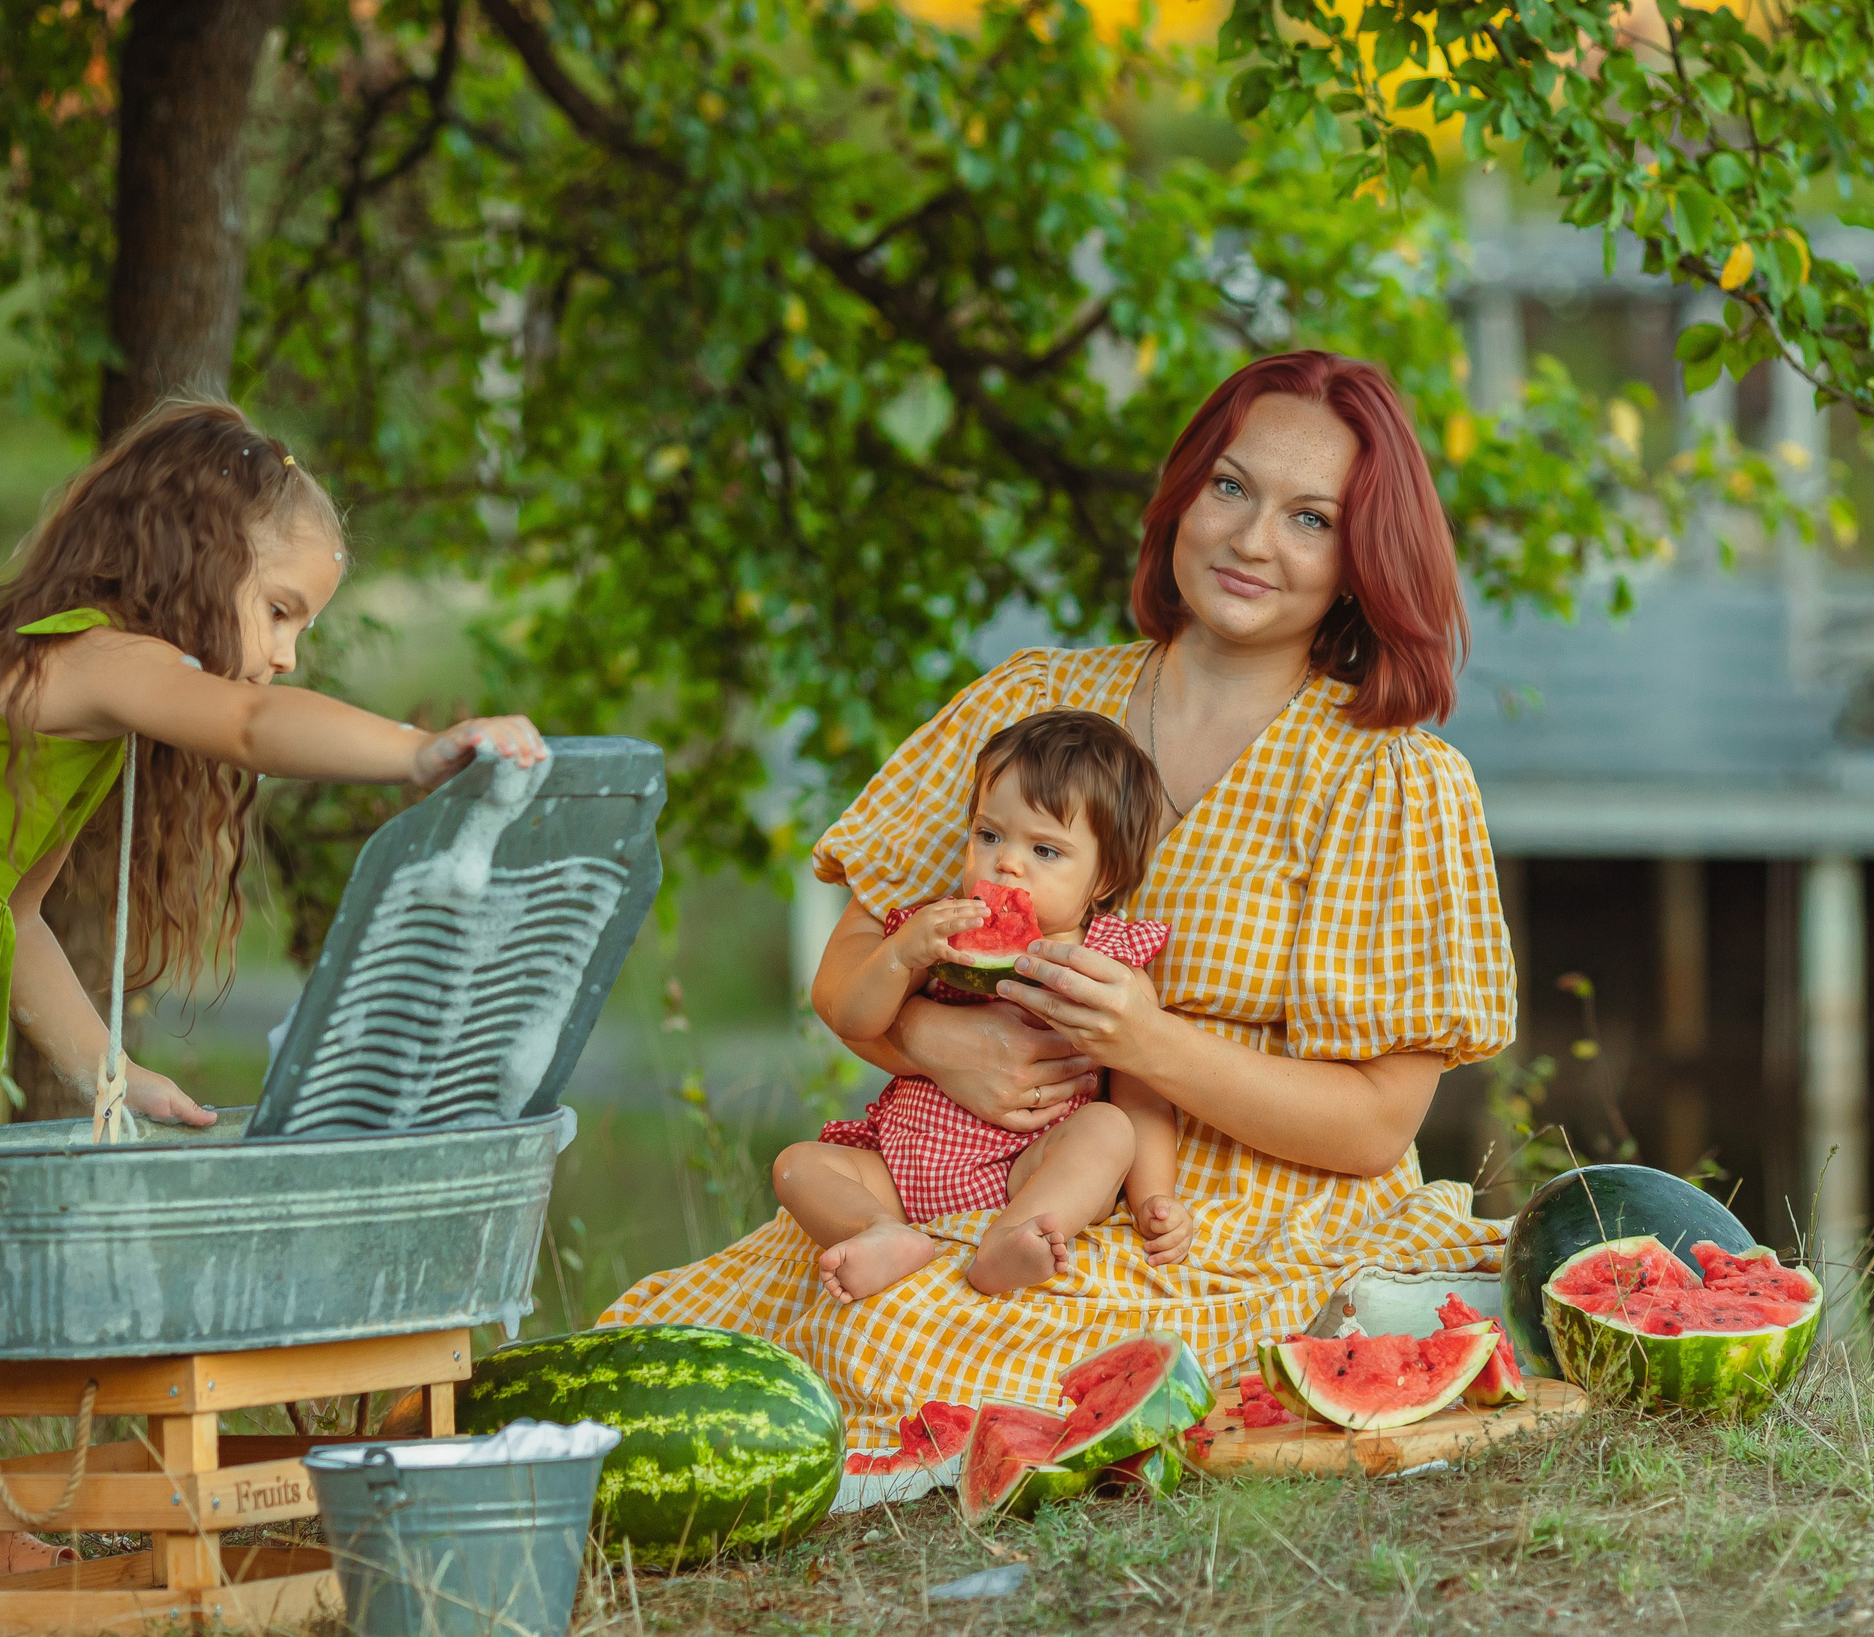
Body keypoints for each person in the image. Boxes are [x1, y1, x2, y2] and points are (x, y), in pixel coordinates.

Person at [598, 349, 1516, 1452]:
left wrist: (1147, 1042)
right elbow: (847, 971)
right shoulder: (1033, 702)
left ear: (1363, 560)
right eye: (1230, 487)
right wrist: (940, 1042)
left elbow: (1375, 1126)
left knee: (911, 1353)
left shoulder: (1391, 778)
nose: (1251, 539)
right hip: (966, 1182)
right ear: (1182, 497)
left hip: (1240, 1222)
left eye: (1311, 518)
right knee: (687, 1345)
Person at [0, 400, 547, 1628]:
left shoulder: (77, 697)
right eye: (279, 612)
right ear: (195, 557)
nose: (286, 654)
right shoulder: (98, 661)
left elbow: (6, 910)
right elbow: (251, 723)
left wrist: (108, 1072)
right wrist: (416, 750)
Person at [774, 709, 1181, 1302]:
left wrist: (1154, 1198)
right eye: (989, 836)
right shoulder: (936, 930)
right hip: (901, 1164)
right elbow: (855, 1021)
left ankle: (1012, 1240)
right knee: (797, 1164)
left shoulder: (1112, 966)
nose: (1007, 862)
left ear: (1104, 877)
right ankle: (880, 1232)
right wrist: (899, 955)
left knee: (1108, 1131)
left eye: (1045, 850)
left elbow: (1143, 1091)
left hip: (1025, 1170)